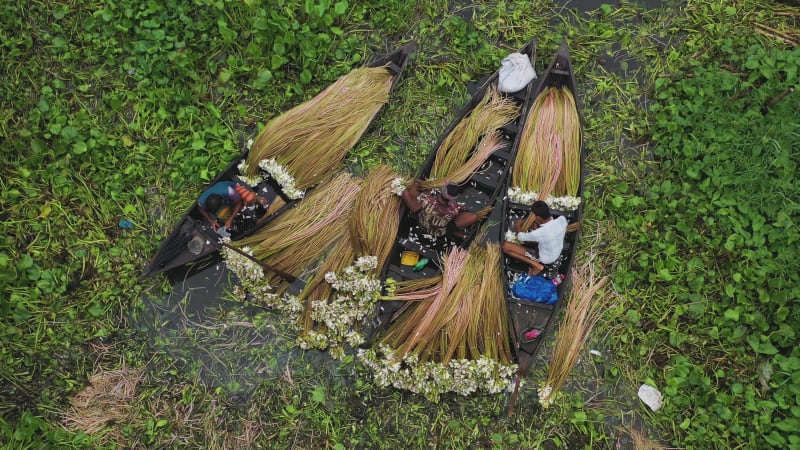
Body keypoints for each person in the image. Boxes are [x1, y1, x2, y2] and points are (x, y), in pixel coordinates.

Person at [502, 200, 567, 275]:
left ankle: (536, 265)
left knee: (505, 247)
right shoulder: (561, 220)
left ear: (538, 218)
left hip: (545, 258)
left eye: (534, 216)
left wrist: (517, 225)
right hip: (555, 252)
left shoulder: (540, 233)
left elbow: (520, 238)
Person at [401, 180, 481, 239]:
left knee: (406, 193)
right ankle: (455, 231)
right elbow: (460, 211)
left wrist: (417, 184)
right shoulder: (454, 209)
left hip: (422, 223)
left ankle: (415, 183)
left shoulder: (427, 198)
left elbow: (414, 193)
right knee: (474, 216)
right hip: (439, 232)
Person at [197, 181, 267, 232]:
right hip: (228, 200)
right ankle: (232, 216)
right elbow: (201, 209)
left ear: (222, 201)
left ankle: (256, 197)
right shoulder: (202, 201)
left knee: (249, 198)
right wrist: (211, 221)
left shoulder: (229, 191)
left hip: (234, 190)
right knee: (222, 215)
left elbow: (239, 202)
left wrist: (231, 218)